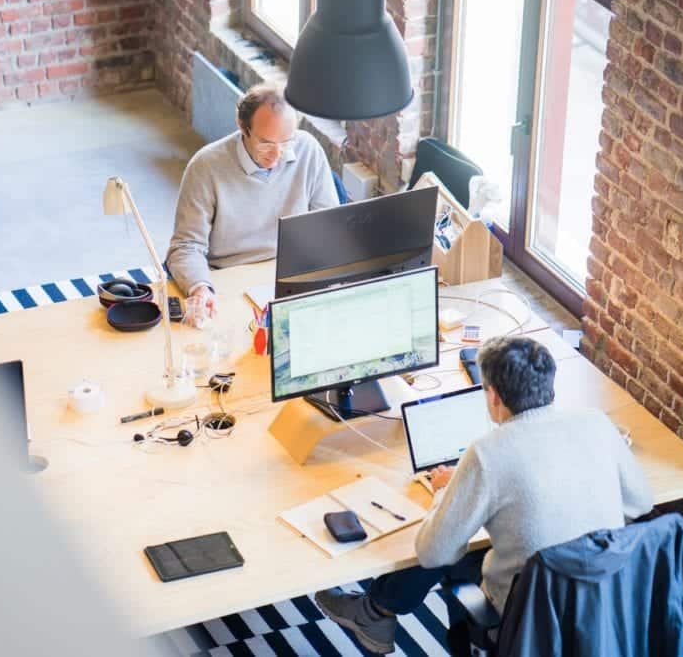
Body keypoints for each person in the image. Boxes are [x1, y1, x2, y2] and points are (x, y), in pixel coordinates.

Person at [315, 336, 654, 655]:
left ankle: (374, 612)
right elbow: (641, 503)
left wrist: (446, 490)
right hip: (605, 606)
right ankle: (374, 611)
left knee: (451, 546)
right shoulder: (596, 423)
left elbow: (433, 553)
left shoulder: (488, 453)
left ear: (492, 395)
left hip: (526, 620)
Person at [166, 83, 338, 328]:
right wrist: (200, 288)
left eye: (286, 142)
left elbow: (327, 227)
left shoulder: (308, 149)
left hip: (288, 275)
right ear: (242, 127)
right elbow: (185, 246)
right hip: (226, 278)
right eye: (266, 143)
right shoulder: (205, 166)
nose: (276, 155)